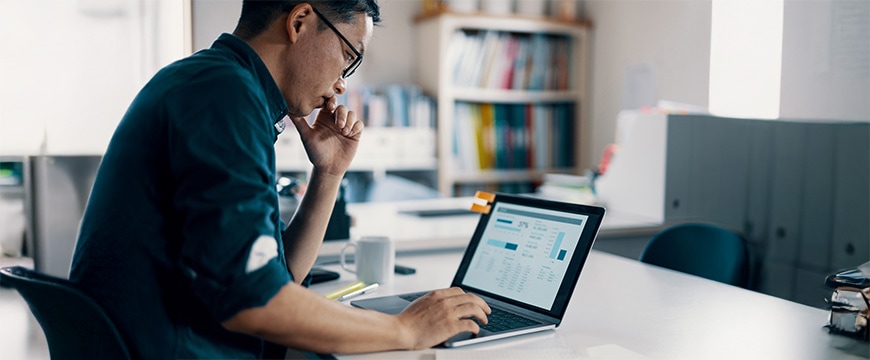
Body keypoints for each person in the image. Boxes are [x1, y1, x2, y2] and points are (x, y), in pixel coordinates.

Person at [69, 1, 490, 358]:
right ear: (300, 21)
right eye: (349, 56)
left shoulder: (216, 83)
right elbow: (253, 300)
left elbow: (278, 276)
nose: (343, 85)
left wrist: (328, 173)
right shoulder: (224, 96)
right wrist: (404, 330)